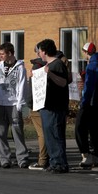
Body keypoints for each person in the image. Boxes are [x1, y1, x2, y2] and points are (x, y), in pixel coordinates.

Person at [0, 42, 29, 169]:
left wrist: (19, 103)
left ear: (10, 53)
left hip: (13, 103)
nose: (0, 56)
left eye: (2, 54)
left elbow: (22, 85)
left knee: (17, 130)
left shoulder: (20, 68)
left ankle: (22, 158)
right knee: (0, 132)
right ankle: (4, 159)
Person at [38, 39, 69, 173]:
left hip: (55, 107)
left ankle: (60, 163)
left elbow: (63, 82)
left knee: (55, 135)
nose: (38, 53)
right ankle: (54, 162)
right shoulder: (47, 65)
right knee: (49, 136)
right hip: (47, 106)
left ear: (44, 51)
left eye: (39, 50)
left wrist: (49, 73)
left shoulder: (57, 65)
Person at [75, 42, 98, 167]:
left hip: (91, 102)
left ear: (85, 52)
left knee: (80, 127)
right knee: (94, 129)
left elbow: (89, 87)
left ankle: (86, 154)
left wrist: (83, 103)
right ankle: (95, 155)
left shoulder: (91, 66)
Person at [27, 44, 49, 170]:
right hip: (48, 104)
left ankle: (42, 159)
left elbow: (32, 90)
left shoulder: (37, 67)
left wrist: (30, 103)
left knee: (42, 134)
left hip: (37, 104)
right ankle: (50, 158)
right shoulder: (55, 64)